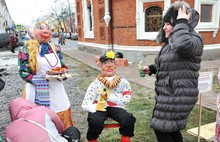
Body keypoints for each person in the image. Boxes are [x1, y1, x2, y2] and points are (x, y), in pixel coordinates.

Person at [141, 1, 204, 142]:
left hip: (179, 95)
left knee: (161, 128)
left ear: (178, 24)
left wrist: (181, 21)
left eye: (168, 24)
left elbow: (183, 45)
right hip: (170, 94)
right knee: (171, 128)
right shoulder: (171, 42)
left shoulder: (194, 39)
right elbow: (170, 63)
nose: (164, 28)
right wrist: (152, 68)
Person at [17, 21, 73, 129]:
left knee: (61, 114)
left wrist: (63, 73)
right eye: (40, 28)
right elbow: (23, 71)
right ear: (32, 31)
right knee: (39, 118)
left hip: (57, 89)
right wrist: (41, 79)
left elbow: (61, 64)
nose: (46, 30)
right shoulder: (25, 49)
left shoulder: (55, 48)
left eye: (48, 28)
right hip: (36, 91)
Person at [81, 50, 136, 142]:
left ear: (116, 65)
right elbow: (86, 103)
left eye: (112, 62)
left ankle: (125, 138)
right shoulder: (95, 83)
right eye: (105, 63)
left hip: (116, 107)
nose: (109, 65)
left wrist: (110, 97)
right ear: (100, 65)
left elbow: (126, 99)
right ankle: (92, 139)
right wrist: (95, 107)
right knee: (95, 121)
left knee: (128, 119)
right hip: (99, 107)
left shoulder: (123, 82)